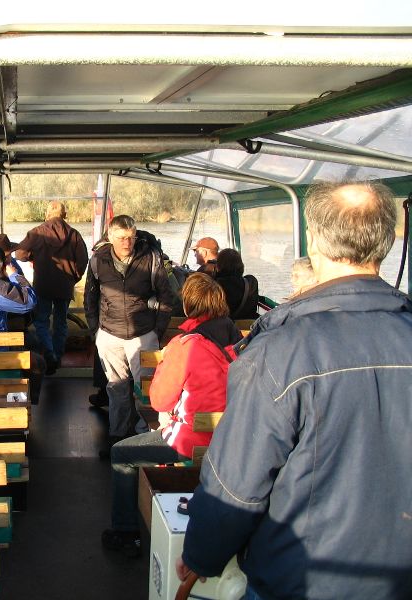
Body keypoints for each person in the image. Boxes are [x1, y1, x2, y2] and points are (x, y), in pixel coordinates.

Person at [178, 181, 412, 600]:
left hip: (304, 577)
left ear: (315, 242)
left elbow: (237, 482)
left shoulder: (281, 351)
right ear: (386, 242)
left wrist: (202, 553)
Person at [101, 273, 242, 558]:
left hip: (193, 440)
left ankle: (126, 534)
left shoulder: (185, 346)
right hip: (234, 440)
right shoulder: (243, 344)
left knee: (122, 455)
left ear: (188, 306)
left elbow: (159, 399)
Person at [83, 215, 175, 457]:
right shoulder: (98, 260)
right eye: (122, 238)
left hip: (143, 333)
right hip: (109, 334)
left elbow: (166, 295)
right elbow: (90, 296)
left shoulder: (150, 258)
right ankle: (118, 437)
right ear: (111, 237)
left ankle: (147, 439)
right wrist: (95, 330)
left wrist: (157, 331)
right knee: (116, 388)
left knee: (147, 388)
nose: (127, 242)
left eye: (131, 237)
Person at [15, 201, 89, 374]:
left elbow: (19, 254)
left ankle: (49, 354)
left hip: (43, 285)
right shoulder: (74, 235)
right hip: (64, 287)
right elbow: (83, 260)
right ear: (64, 215)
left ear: (47, 214)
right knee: (61, 322)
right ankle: (58, 355)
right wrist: (73, 279)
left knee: (41, 321)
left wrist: (32, 256)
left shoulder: (37, 232)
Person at [214, 248, 259, 319]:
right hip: (248, 323)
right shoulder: (251, 282)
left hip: (227, 324)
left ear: (219, 265)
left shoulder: (216, 285)